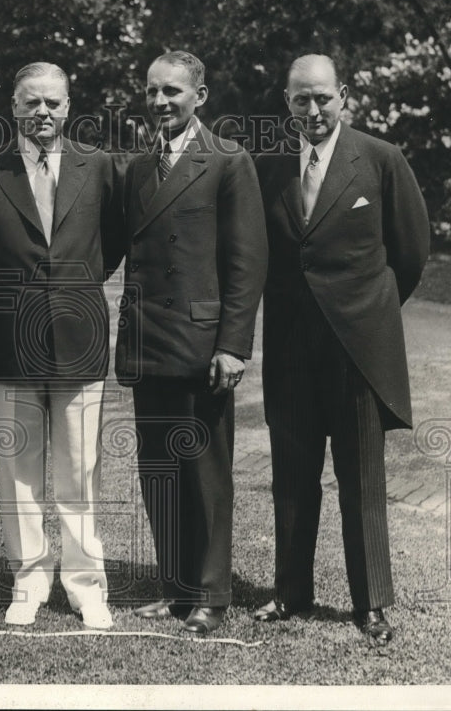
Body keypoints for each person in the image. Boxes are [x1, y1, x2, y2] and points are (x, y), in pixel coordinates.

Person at [252, 54, 429, 644]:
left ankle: (371, 603)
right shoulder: (269, 167)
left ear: (344, 96)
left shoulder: (380, 160)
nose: (312, 110)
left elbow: (410, 255)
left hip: (358, 351)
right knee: (293, 479)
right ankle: (290, 593)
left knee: (361, 481)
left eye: (322, 98)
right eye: (301, 99)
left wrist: (366, 314)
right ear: (286, 101)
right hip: (290, 352)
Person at [0, 62, 123, 629]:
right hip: (7, 344)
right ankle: (27, 583)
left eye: (53, 103)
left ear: (69, 106)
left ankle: (85, 586)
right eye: (32, 103)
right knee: (18, 474)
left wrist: (76, 282)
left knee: (80, 474)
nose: (43, 113)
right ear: (14, 107)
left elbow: (114, 240)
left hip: (80, 340)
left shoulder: (97, 165)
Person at [115, 51, 268, 635]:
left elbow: (247, 262)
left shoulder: (229, 161)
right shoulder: (137, 168)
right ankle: (175, 589)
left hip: (202, 344)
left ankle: (212, 594)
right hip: (146, 341)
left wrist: (233, 345)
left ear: (199, 96)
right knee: (158, 470)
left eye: (173, 92)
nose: (160, 102)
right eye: (152, 91)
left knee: (204, 472)